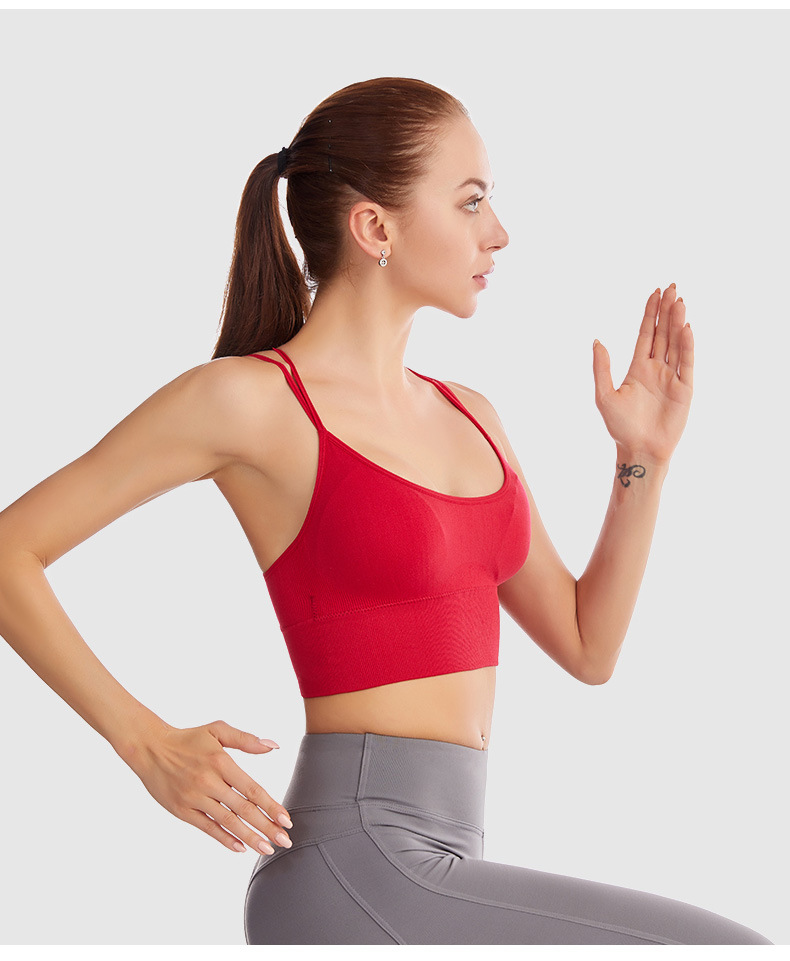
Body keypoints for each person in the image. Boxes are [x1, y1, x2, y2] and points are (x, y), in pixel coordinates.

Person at [0, 76, 772, 946]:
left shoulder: (473, 415)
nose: (499, 232)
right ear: (376, 227)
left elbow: (588, 646)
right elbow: (9, 550)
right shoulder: (251, 401)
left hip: (444, 857)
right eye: (471, 201)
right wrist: (144, 743)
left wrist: (643, 458)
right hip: (356, 861)